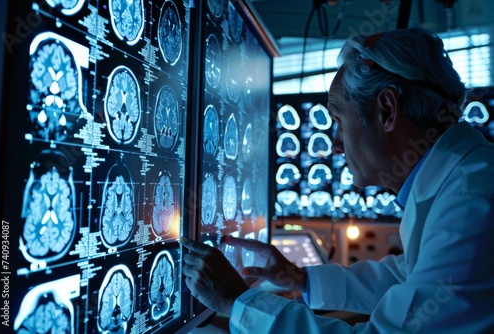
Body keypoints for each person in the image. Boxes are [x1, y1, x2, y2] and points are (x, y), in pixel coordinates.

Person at [181, 27, 494, 333]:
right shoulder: (456, 181)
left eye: (339, 119)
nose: (335, 143)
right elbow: (410, 278)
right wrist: (299, 278)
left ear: (387, 110)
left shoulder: (469, 204)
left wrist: (238, 302)